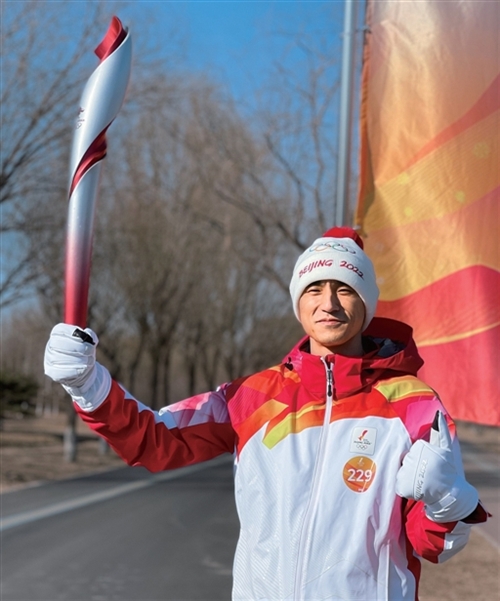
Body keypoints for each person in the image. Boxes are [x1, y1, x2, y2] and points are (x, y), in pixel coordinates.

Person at [44, 226, 488, 601]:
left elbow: (431, 546)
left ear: (366, 302)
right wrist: (88, 384)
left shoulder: (414, 405)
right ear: (298, 302)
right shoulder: (253, 397)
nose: (329, 304)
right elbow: (154, 439)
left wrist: (446, 502)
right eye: (314, 289)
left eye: (345, 289)